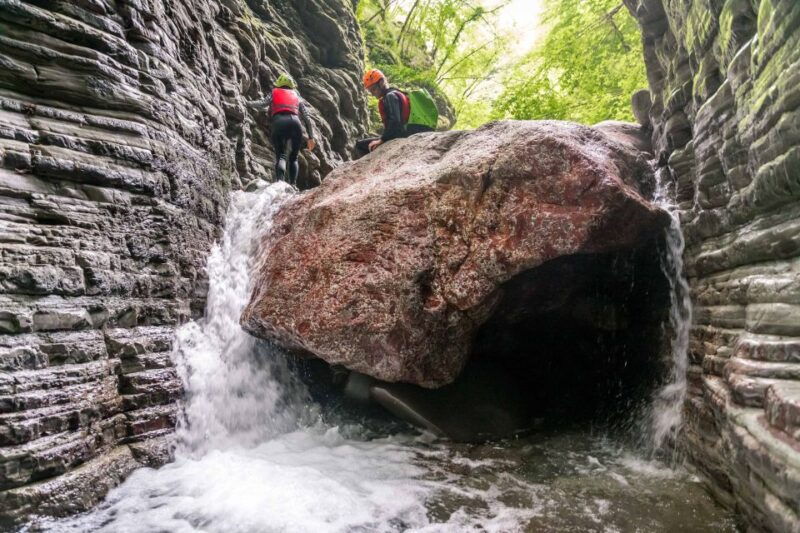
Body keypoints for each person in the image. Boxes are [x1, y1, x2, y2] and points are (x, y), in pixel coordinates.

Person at [247, 73, 316, 186]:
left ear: (279, 84)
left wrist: (248, 103)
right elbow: (307, 118)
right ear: (292, 85)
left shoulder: (274, 92)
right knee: (294, 158)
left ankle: (280, 183)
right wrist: (311, 137)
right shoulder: (297, 96)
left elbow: (262, 103)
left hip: (279, 122)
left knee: (282, 156)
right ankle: (293, 185)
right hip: (295, 123)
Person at [355, 69, 434, 158]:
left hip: (403, 135)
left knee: (360, 145)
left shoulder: (390, 96)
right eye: (370, 91)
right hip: (407, 133)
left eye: (373, 89)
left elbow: (395, 121)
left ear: (381, 83)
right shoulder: (395, 93)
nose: (372, 94)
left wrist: (382, 140)